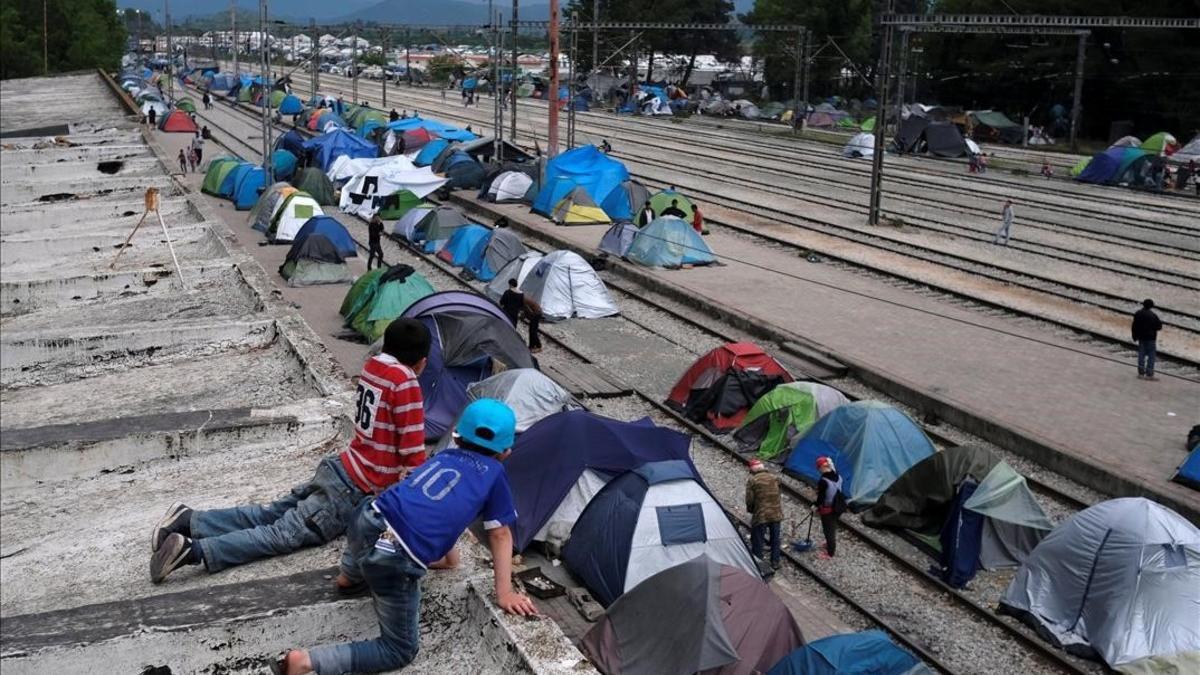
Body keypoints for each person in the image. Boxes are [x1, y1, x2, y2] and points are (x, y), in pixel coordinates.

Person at [148, 319, 431, 583]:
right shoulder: (405, 381)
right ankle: (193, 550)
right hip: (355, 488)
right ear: (421, 363)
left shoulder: (375, 366)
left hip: (341, 466)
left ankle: (189, 519)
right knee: (282, 534)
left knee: (268, 514)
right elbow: (413, 454)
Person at [274, 399, 537, 675]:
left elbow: (437, 510)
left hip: (368, 516)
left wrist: (449, 560)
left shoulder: (443, 457)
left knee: (368, 531)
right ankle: (306, 662)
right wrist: (504, 593)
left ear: (457, 437)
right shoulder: (494, 475)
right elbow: (500, 534)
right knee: (399, 650)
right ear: (506, 452)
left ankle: (349, 576)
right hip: (395, 555)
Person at [745, 459, 783, 570]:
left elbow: (749, 500)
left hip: (761, 514)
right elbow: (778, 494)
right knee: (775, 539)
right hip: (776, 513)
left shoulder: (753, 480)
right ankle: (775, 562)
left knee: (758, 538)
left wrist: (752, 510)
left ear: (752, 469)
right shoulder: (775, 478)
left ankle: (758, 562)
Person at [814, 456, 845, 559]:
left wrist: (815, 506)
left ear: (822, 468)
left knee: (828, 531)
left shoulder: (823, 481)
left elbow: (821, 498)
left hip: (828, 509)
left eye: (819, 468)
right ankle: (829, 543)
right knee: (832, 527)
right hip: (838, 506)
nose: (818, 470)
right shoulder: (838, 476)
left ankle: (830, 553)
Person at [1132, 299, 1163, 380]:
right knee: (1151, 356)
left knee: (1141, 355)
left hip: (1141, 337)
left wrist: (1134, 336)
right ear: (1151, 306)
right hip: (1151, 338)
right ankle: (1149, 374)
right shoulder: (1153, 315)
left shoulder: (1138, 313)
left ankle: (1141, 373)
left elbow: (1134, 326)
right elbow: (1159, 326)